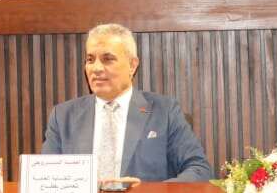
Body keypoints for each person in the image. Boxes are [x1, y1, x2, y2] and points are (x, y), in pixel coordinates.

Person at [41, 23, 212, 183]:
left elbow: (199, 170)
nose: (96, 68)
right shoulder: (63, 117)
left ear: (132, 65)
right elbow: (45, 180)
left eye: (108, 59)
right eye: (90, 60)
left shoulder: (164, 111)